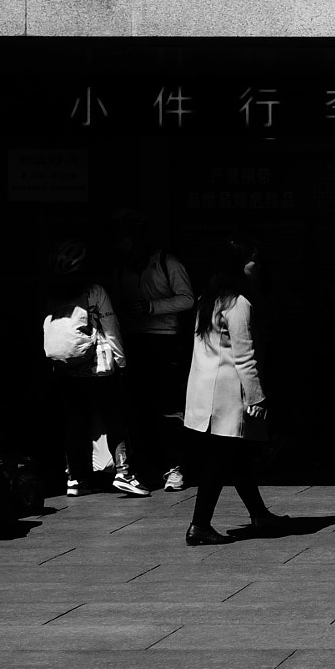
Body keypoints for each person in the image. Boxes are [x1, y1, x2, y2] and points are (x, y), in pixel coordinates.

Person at [181, 234, 288, 546]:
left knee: (236, 458)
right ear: (240, 265)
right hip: (227, 394)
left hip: (205, 390)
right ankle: (199, 525)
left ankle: (259, 515)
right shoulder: (239, 304)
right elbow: (244, 355)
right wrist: (257, 396)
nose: (257, 264)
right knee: (220, 459)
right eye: (253, 258)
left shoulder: (209, 299)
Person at [111, 210, 195, 492]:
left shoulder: (165, 262)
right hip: (135, 339)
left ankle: (175, 467)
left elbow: (187, 299)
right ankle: (148, 466)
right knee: (140, 408)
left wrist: (151, 307)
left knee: (168, 408)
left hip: (165, 340)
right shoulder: (122, 267)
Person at [40, 238, 130, 496]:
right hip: (97, 368)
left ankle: (76, 478)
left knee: (75, 422)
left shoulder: (53, 295)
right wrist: (122, 362)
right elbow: (111, 331)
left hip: (65, 370)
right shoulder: (95, 291)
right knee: (113, 417)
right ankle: (125, 473)